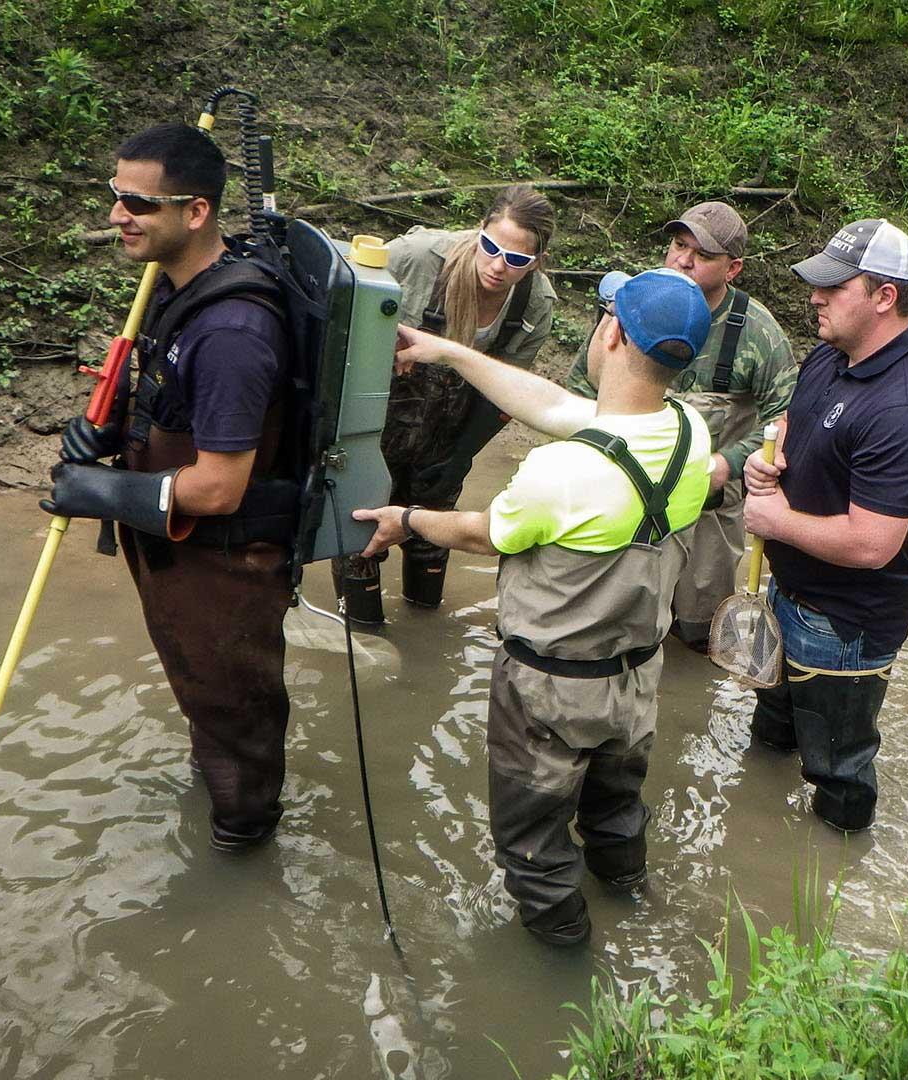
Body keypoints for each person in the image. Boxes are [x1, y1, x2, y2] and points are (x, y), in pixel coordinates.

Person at [353, 269, 712, 945]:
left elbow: (481, 533)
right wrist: (450, 351)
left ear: (609, 333)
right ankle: (631, 895)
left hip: (550, 692)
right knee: (615, 809)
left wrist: (406, 517)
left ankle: (566, 958)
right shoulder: (691, 433)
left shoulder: (560, 472)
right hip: (635, 682)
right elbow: (554, 405)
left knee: (532, 844)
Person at [40, 122, 298, 851]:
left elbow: (217, 487)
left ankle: (242, 857)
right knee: (207, 696)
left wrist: (98, 492)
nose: (118, 215)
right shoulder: (173, 286)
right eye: (116, 195)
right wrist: (104, 436)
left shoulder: (233, 333)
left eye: (140, 204)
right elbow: (165, 397)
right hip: (176, 553)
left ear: (197, 213)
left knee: (235, 712)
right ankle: (219, 800)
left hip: (226, 561)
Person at [740, 218, 908, 834]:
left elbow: (872, 543)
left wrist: (776, 517)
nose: (815, 296)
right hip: (789, 593)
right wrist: (767, 455)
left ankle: (832, 867)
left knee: (837, 768)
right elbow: (791, 425)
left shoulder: (903, 409)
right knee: (772, 729)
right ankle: (756, 824)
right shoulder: (833, 357)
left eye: (835, 287)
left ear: (885, 297)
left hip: (844, 622)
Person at [566, 201, 795, 650]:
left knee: (697, 634)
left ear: (734, 268)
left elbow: (785, 419)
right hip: (624, 501)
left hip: (708, 509)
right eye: (678, 245)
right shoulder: (633, 307)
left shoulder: (758, 333)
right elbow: (580, 389)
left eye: (702, 254)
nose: (682, 260)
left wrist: (729, 463)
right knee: (616, 629)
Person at [334, 187, 559, 624]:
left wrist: (460, 459)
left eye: (515, 260)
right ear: (480, 230)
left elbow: (505, 395)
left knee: (431, 549)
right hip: (372, 427)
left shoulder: (535, 303)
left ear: (535, 260)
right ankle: (363, 634)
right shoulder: (417, 257)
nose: (497, 266)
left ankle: (424, 639)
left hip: (446, 441)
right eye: (490, 247)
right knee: (358, 539)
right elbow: (343, 296)